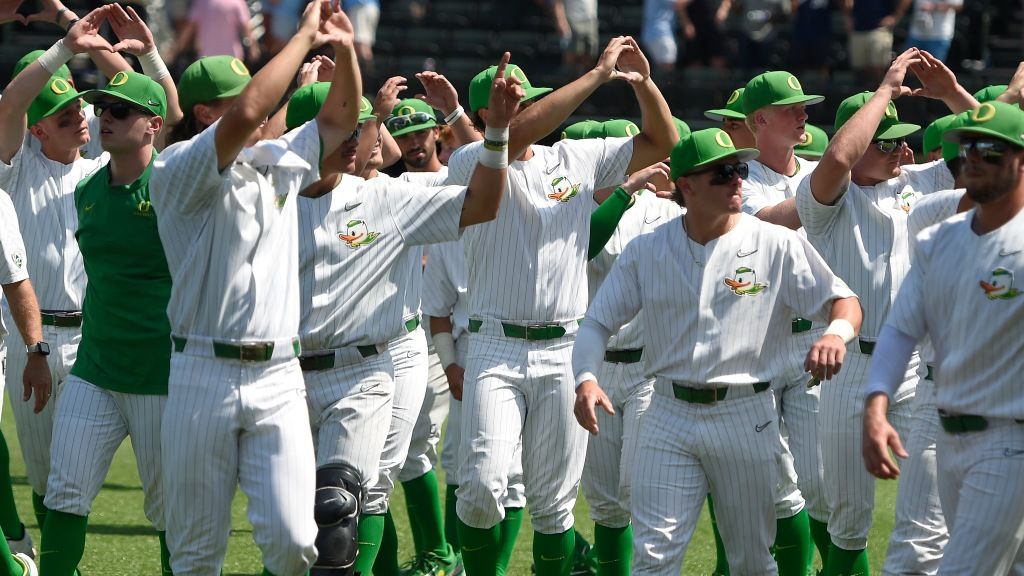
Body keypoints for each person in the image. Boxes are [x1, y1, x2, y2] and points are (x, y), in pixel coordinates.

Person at [572, 127, 861, 575]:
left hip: (747, 414)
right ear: (685, 185)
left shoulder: (776, 242)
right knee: (654, 558)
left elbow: (845, 302)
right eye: (723, 172)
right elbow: (597, 323)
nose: (737, 180)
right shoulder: (648, 249)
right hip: (666, 414)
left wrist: (835, 334)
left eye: (740, 169)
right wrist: (586, 379)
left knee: (750, 560)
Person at [447, 37, 677, 576]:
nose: (531, 109)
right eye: (514, 100)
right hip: (493, 345)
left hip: (565, 349)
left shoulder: (576, 156)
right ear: (487, 114)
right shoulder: (466, 161)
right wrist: (597, 76)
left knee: (553, 507)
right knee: (482, 486)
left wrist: (641, 82)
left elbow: (663, 139)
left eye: (530, 98)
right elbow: (511, 136)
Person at [285, 54, 520, 576]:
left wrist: (497, 130)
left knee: (346, 502)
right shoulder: (261, 198)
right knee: (287, 525)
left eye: (359, 129)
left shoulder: (388, 194)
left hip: (370, 366)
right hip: (284, 376)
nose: (355, 141)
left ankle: (408, 558)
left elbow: (482, 203)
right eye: (340, 129)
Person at [150, 2, 362, 573]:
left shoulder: (279, 158)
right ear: (202, 114)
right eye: (243, 95)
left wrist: (342, 48)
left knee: (298, 541)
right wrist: (300, 39)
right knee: (195, 554)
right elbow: (248, 111)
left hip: (278, 374)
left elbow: (342, 119)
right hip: (202, 372)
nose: (266, 104)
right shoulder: (176, 168)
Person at [795, 47, 977, 576]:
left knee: (929, 518)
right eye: (887, 142)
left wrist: (947, 93)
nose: (901, 151)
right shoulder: (829, 198)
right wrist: (884, 90)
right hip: (850, 368)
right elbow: (836, 160)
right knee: (846, 517)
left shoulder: (918, 185)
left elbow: (994, 144)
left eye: (903, 141)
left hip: (917, 368)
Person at [0, 1, 176, 548]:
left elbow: (154, 108)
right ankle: (42, 555)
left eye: (80, 105)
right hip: (35, 338)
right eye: (62, 114)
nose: (81, 115)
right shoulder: (16, 166)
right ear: (35, 130)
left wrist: (104, 45)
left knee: (100, 479)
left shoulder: (105, 162)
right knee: (50, 472)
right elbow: (10, 104)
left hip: (101, 334)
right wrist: (63, 46)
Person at [862, 100, 1024, 575]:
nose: (973, 157)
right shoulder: (940, 239)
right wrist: (876, 405)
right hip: (949, 433)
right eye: (968, 147)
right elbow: (901, 327)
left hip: (1011, 441)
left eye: (991, 150)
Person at [39, 70, 172, 576]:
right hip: (94, 369)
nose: (103, 118)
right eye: (102, 109)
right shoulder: (89, 188)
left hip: (161, 376)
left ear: (153, 125)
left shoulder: (174, 187)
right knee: (64, 491)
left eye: (120, 111)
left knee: (170, 512)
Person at [566, 120, 683, 576]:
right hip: (596, 367)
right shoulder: (572, 212)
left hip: (648, 366)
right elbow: (586, 245)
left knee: (641, 486)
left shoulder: (664, 212)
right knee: (605, 501)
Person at [739, 69, 829, 574]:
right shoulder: (740, 179)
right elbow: (772, 219)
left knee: (820, 484)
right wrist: (831, 185)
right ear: (759, 120)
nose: (803, 115)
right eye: (792, 108)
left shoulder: (818, 170)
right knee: (774, 485)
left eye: (805, 106)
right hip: (761, 344)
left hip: (816, 338)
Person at [843, 0, 912, 84]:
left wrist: (896, 16)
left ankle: (883, 94)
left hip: (880, 29)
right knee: (860, 68)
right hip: (858, 28)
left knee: (878, 68)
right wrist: (847, 16)